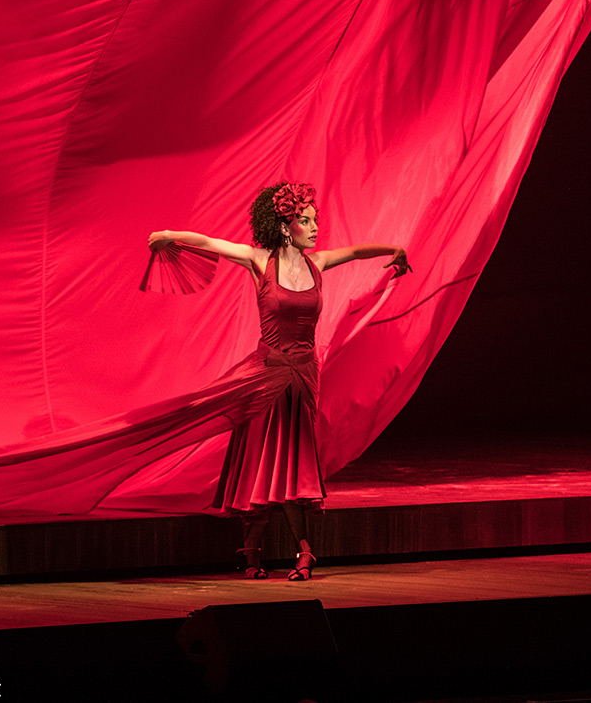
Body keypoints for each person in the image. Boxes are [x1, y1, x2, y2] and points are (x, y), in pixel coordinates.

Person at [148, 181, 410, 580]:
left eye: (315, 219)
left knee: (293, 462)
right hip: (267, 377)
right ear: (285, 226)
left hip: (303, 377)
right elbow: (210, 243)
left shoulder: (317, 263)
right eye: (306, 220)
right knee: (265, 461)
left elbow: (357, 251)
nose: (315, 227)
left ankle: (266, 550)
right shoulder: (259, 261)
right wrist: (169, 235)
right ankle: (287, 550)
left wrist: (394, 250)